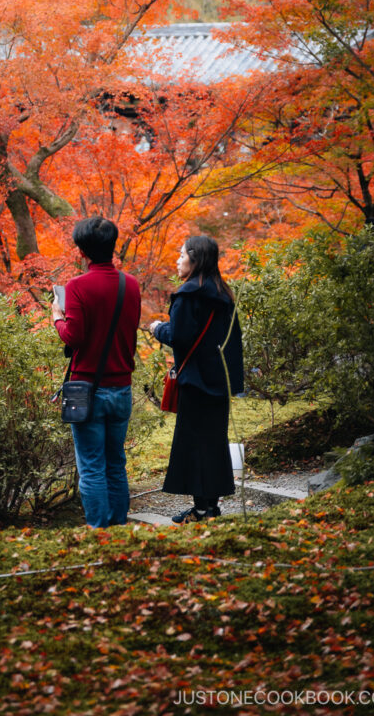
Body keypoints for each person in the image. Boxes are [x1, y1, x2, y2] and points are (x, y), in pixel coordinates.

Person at [51, 215, 141, 528]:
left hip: (87, 389)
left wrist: (57, 317)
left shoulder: (76, 287)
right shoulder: (130, 285)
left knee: (91, 465)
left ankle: (99, 534)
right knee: (115, 463)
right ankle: (118, 529)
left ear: (82, 252)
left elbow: (73, 337)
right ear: (113, 246)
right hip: (122, 388)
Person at [148, 234, 243, 524]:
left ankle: (201, 510)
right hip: (219, 381)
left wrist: (157, 328)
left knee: (194, 446)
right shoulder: (224, 295)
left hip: (195, 382)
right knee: (213, 444)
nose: (177, 260)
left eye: (181, 255)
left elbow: (180, 337)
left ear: (195, 258)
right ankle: (209, 507)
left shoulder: (188, 295)